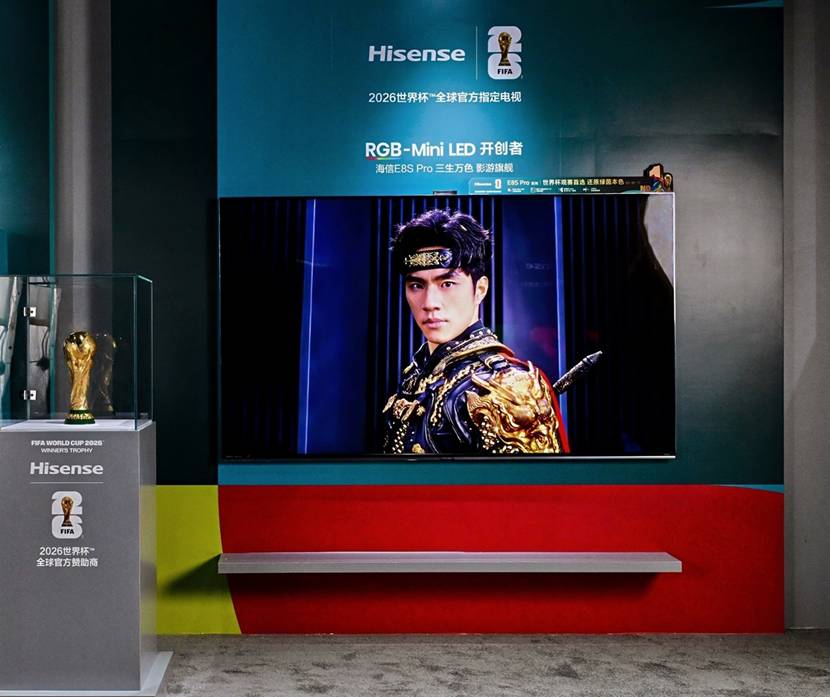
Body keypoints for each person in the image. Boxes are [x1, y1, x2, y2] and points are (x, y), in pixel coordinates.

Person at [382, 209, 568, 455]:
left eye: (447, 284)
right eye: (417, 285)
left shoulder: (506, 387)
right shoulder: (417, 375)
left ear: (480, 289)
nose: (429, 302)